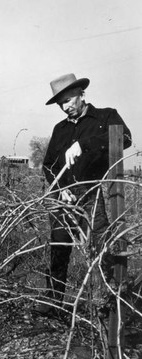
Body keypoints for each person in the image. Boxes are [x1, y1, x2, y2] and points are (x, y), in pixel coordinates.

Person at [40, 73, 132, 315]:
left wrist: (85, 144)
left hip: (91, 195)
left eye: (69, 100)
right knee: (59, 247)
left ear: (81, 93)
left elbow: (125, 138)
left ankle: (104, 304)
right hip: (64, 198)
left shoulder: (105, 116)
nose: (65, 107)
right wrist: (60, 191)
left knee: (99, 249)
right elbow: (48, 165)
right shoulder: (59, 129)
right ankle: (54, 302)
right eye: (61, 103)